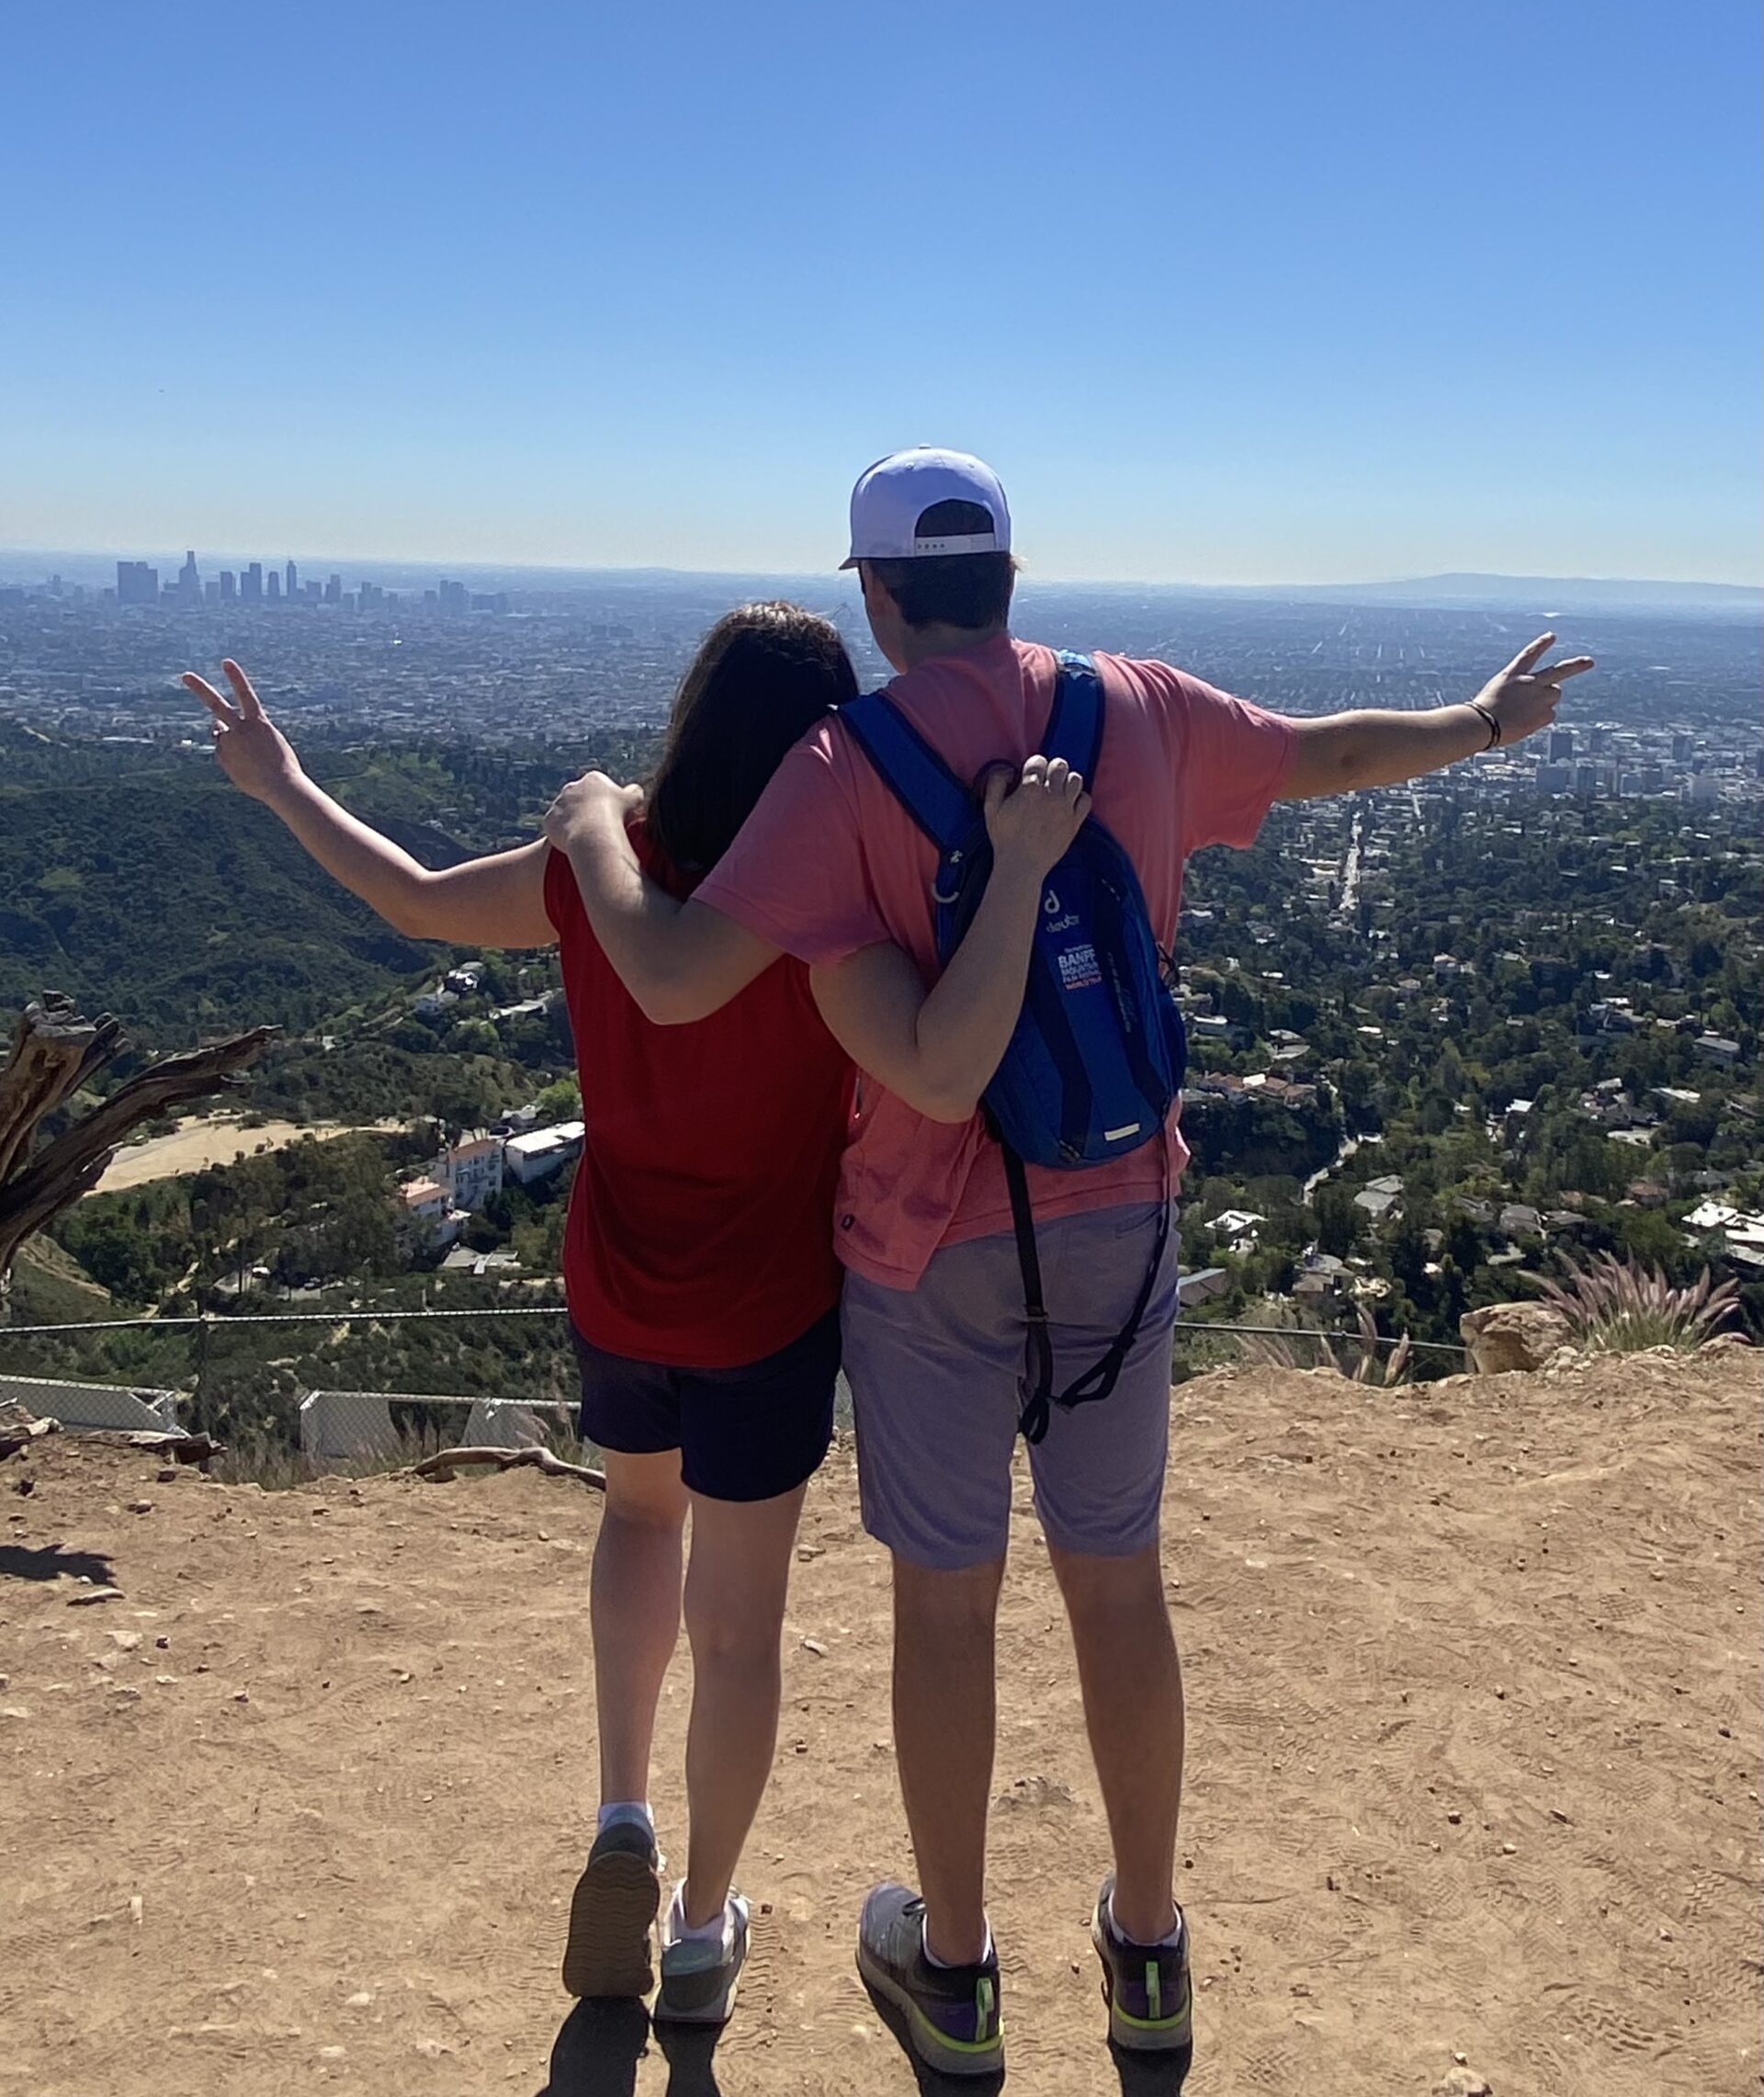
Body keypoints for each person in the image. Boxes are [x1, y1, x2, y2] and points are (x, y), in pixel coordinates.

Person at [542, 449, 1596, 2080]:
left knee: (946, 1616)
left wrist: (594, 831)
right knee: (1119, 1586)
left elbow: (676, 979)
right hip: (1118, 1212)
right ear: (1014, 581)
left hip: (921, 1248)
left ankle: (954, 1976)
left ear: (878, 595)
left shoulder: (839, 763)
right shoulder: (1134, 708)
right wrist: (1477, 726)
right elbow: (1318, 756)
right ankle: (1151, 1949)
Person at [182, 601, 1092, 2031]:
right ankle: (701, 1926)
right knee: (740, 1634)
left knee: (635, 1521)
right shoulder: (825, 894)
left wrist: (283, 782)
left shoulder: (602, 874)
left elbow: (415, 896)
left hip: (619, 1282)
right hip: (769, 1307)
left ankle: (620, 1809)